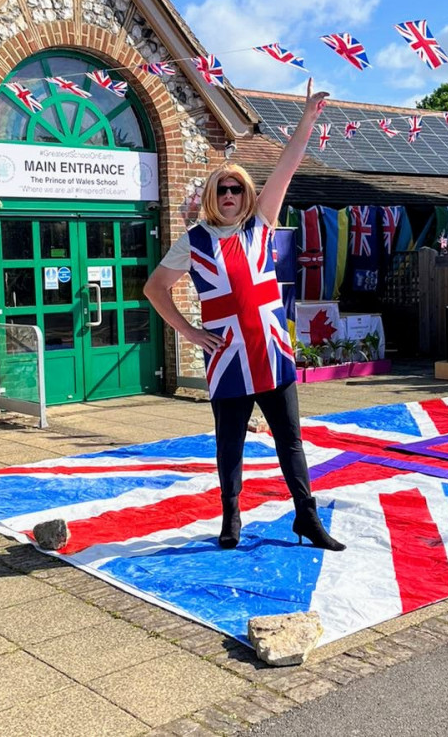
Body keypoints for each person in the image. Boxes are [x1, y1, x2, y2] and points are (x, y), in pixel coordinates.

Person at [143, 78, 345, 552]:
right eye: (223, 189)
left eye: (237, 188)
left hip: (272, 353)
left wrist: (306, 121)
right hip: (228, 356)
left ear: (246, 194)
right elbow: (154, 289)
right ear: (213, 196)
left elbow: (286, 170)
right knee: (229, 446)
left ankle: (306, 518)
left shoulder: (261, 224)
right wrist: (190, 332)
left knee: (290, 442)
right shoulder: (192, 241)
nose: (231, 195)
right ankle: (231, 519)